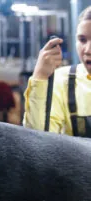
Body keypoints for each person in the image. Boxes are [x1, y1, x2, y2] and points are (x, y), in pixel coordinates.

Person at [23, 6, 91, 136]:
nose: (87, 50)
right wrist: (40, 77)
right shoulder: (63, 81)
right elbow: (36, 140)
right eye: (82, 40)